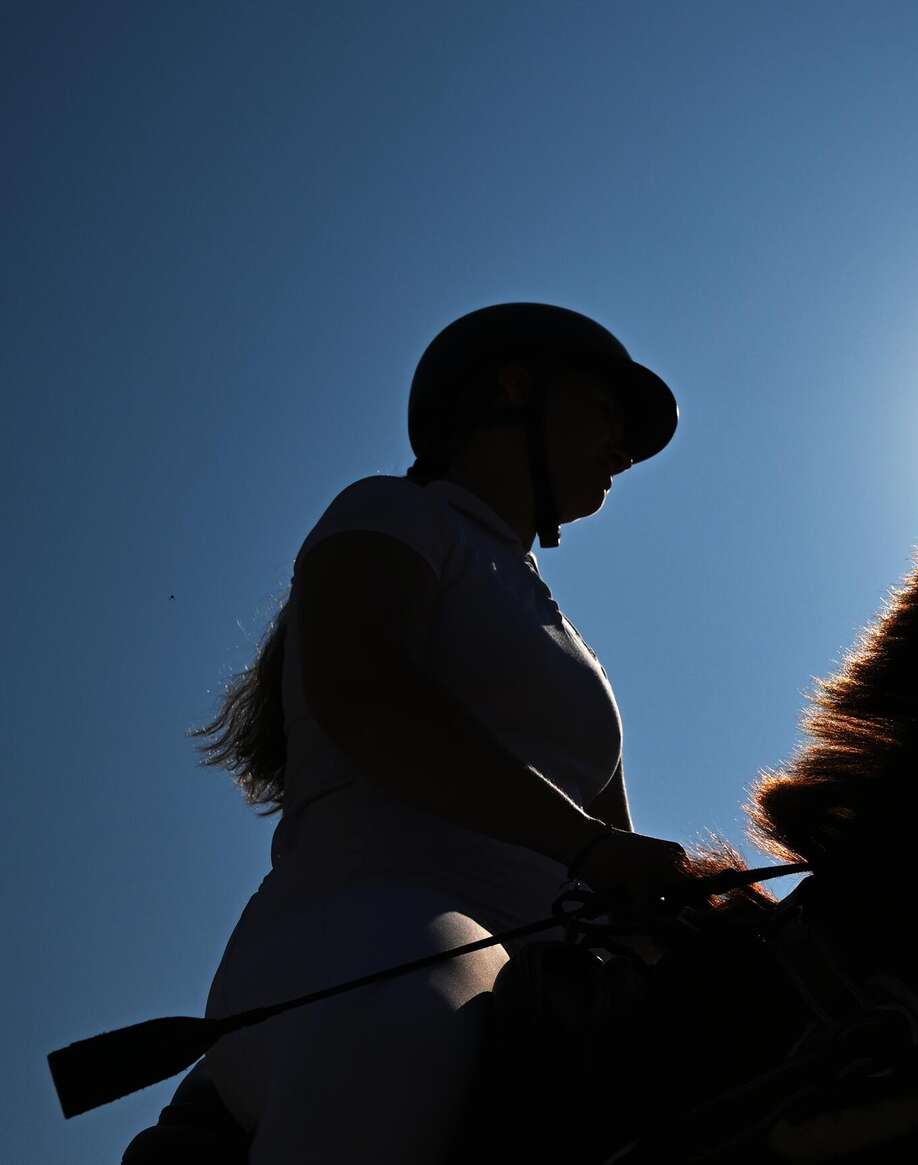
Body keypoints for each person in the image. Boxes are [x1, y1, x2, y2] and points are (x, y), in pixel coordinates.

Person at [182, 303, 700, 1162]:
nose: (623, 447)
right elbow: (367, 699)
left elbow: (615, 848)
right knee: (416, 1023)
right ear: (513, 390)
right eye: (606, 412)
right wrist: (587, 850)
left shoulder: (570, 641)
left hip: (552, 966)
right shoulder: (388, 513)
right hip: (366, 929)